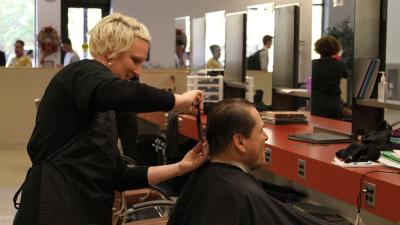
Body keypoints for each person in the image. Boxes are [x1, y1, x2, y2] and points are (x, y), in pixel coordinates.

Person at [13, 13, 208, 225]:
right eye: (135, 60)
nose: (137, 71)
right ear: (110, 51)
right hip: (53, 208)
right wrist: (179, 101)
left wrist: (180, 167)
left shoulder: (102, 107)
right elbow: (124, 94)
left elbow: (117, 176)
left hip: (86, 209)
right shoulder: (81, 73)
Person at [167, 98, 330, 225]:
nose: (265, 137)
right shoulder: (244, 194)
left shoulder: (203, 175)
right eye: (260, 130)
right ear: (239, 142)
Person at [311, 35, 350, 119]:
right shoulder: (340, 64)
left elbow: (308, 87)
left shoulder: (312, 64)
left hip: (316, 105)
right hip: (334, 105)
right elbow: (346, 75)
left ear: (318, 49)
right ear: (336, 48)